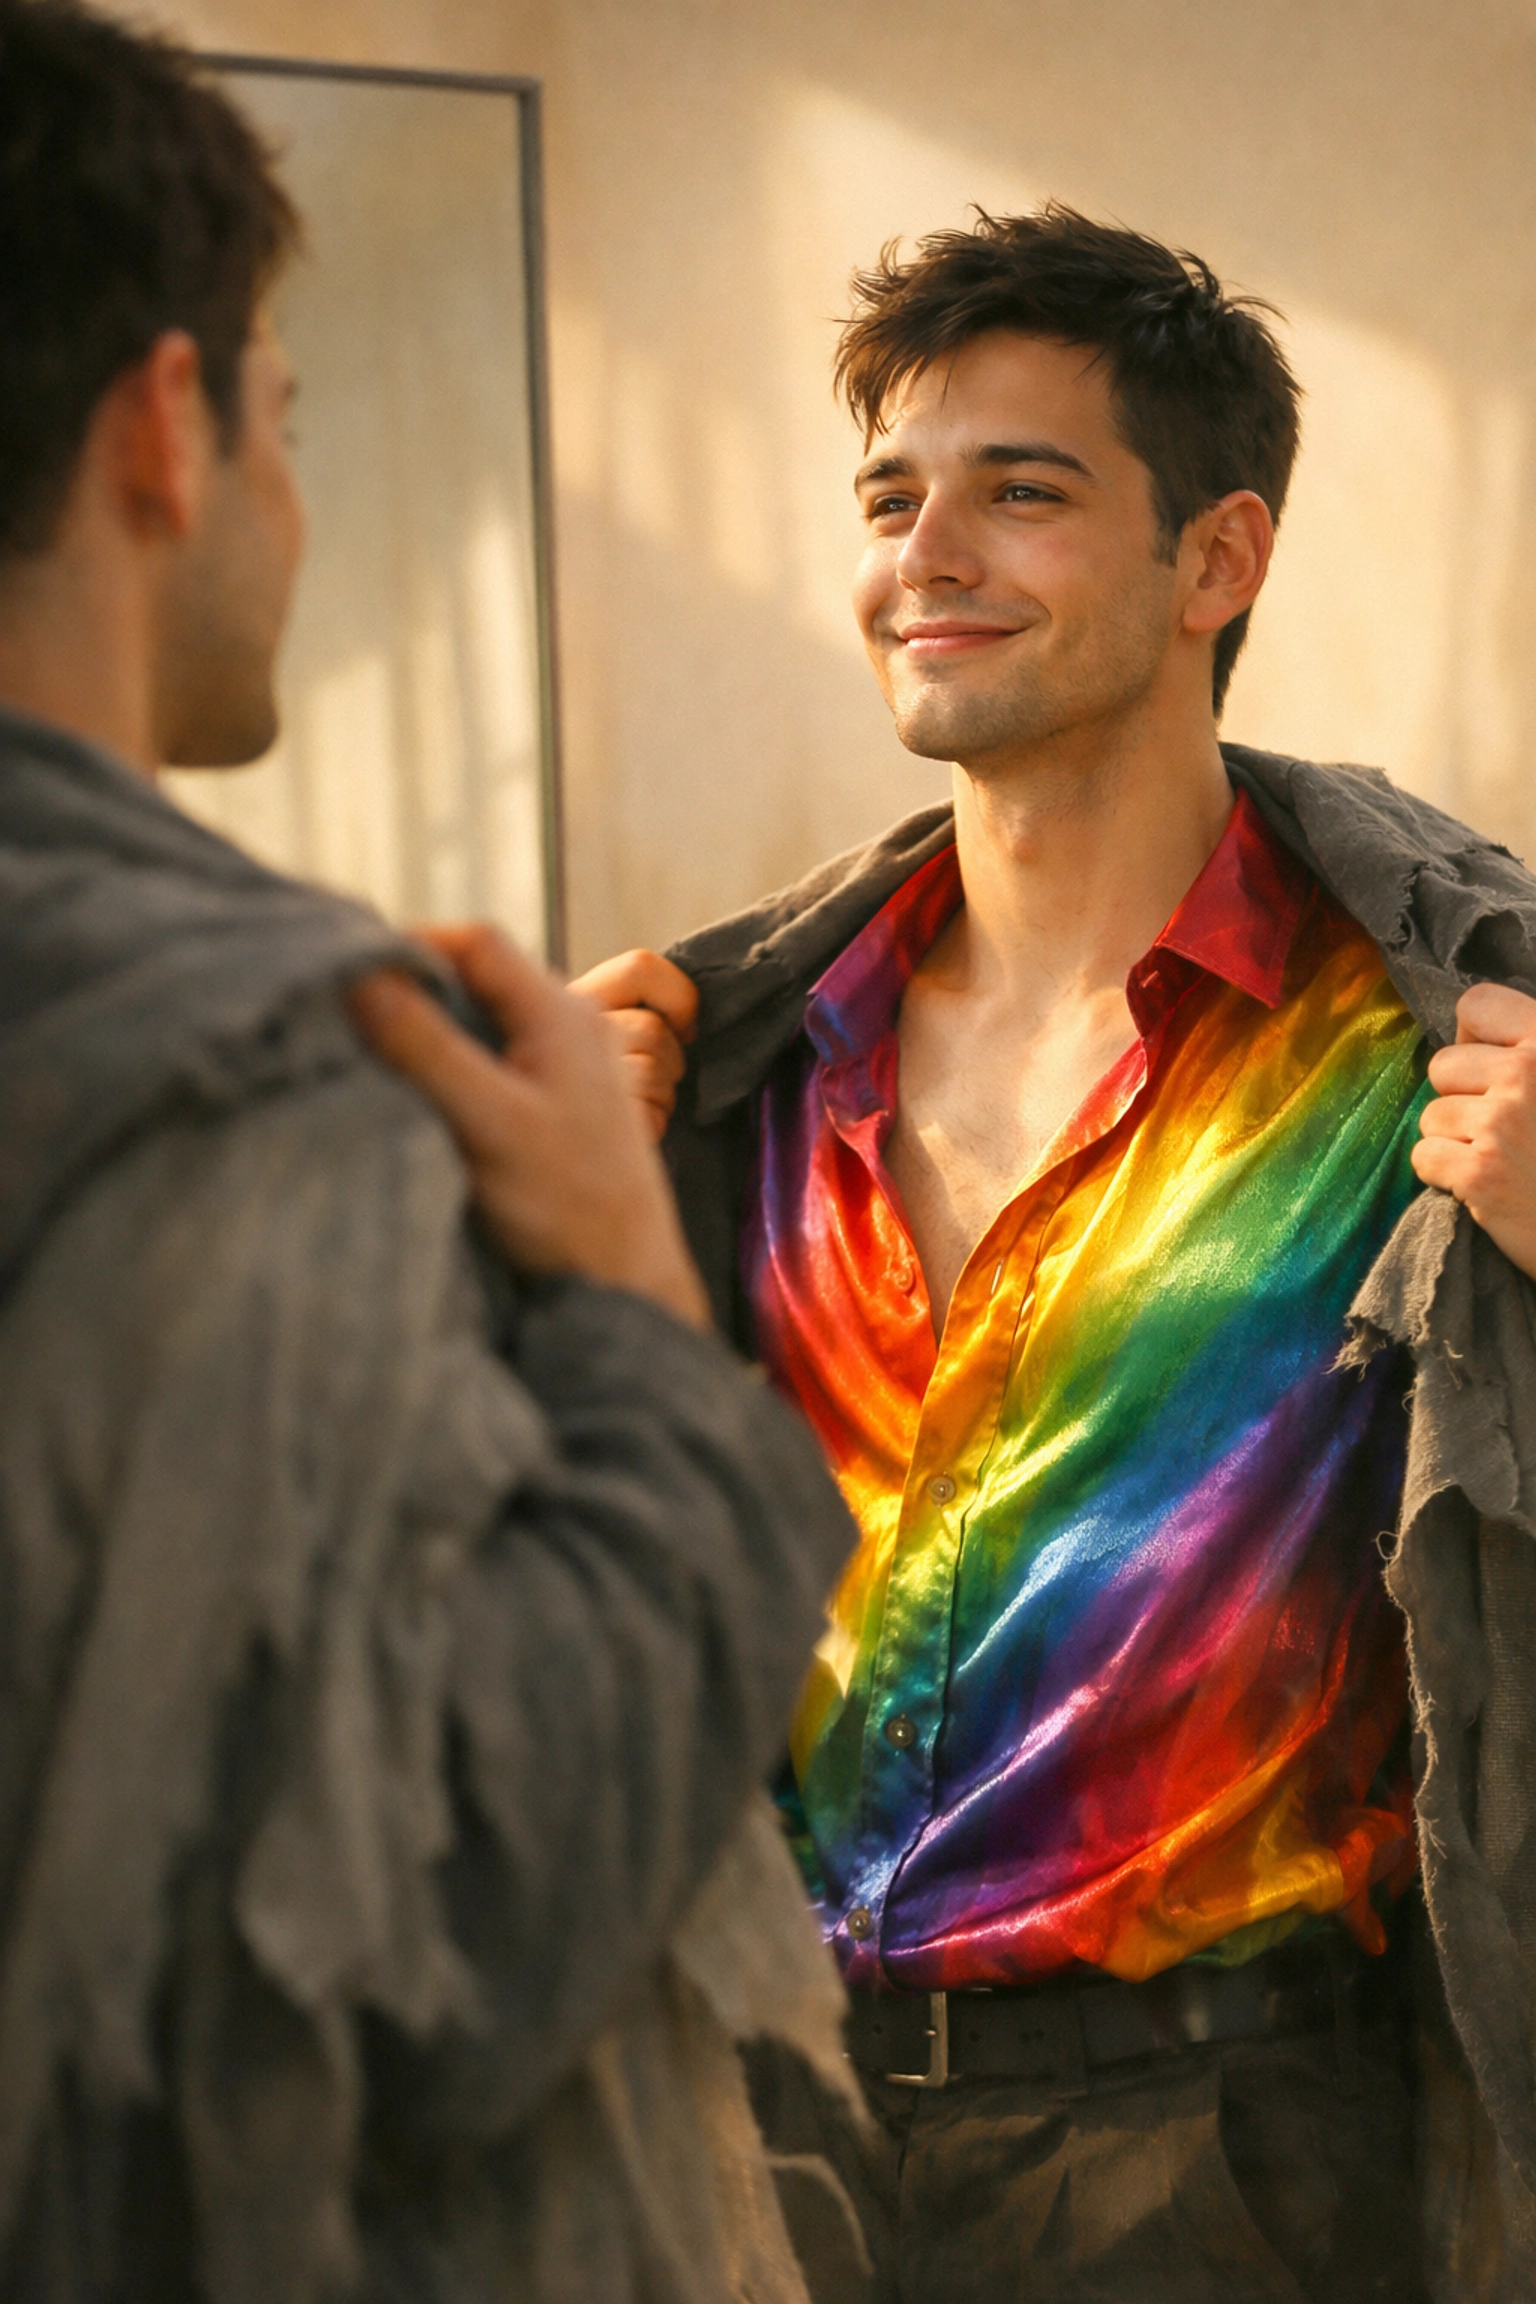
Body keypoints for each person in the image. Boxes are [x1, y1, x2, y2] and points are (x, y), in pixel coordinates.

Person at [575, 206, 1536, 2302]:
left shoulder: (1423, 1042)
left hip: (1216, 2162)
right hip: (755, 2133)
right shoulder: (748, 1063)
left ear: (1221, 559)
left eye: (1025, 493)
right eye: (895, 497)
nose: (930, 555)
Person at [0, 5, 861, 2299]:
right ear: (165, 428)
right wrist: (622, 1301)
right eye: (287, 414)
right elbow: (443, 1917)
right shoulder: (271, 1084)